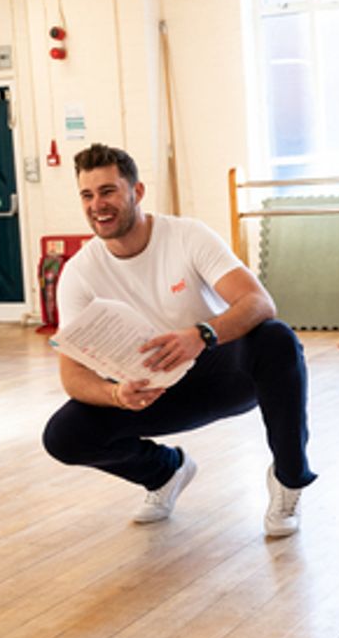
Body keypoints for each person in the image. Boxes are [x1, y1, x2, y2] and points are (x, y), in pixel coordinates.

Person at [42, 143, 317, 536]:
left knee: (277, 338)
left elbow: (259, 302)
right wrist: (115, 394)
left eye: (108, 191)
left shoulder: (187, 236)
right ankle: (165, 472)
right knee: (63, 435)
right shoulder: (79, 273)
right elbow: (72, 374)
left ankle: (289, 479)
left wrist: (202, 334)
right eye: (87, 195)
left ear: (136, 192)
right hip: (151, 389)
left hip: (222, 374)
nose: (97, 205)